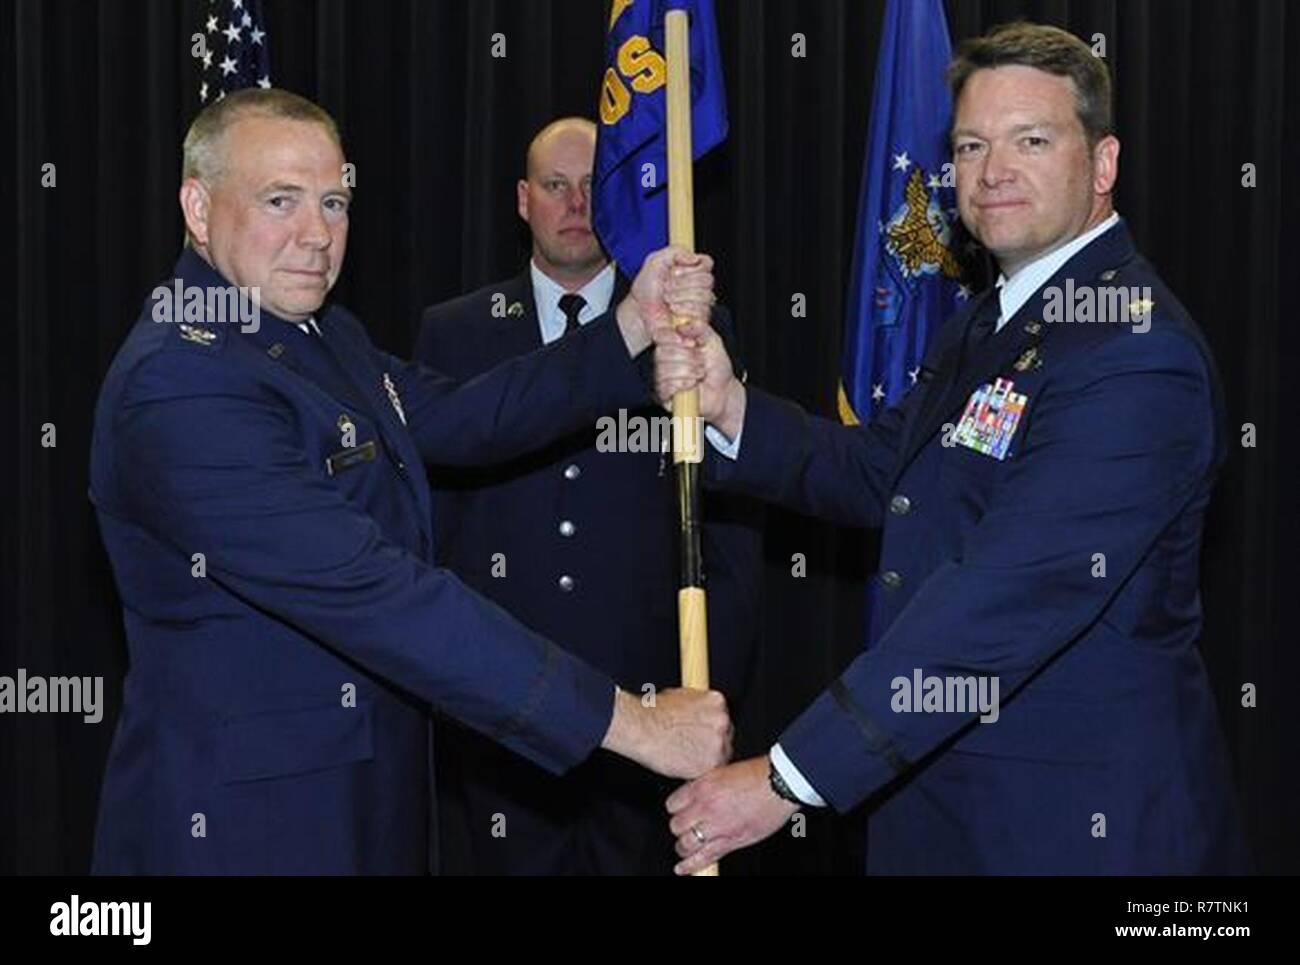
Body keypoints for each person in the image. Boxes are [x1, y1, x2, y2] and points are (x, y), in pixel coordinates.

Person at [656, 22, 1249, 875]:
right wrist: (728, 402)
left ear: (1104, 163)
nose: (993, 171)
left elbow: (1002, 599)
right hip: (946, 813)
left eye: (1031, 140)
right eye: (972, 144)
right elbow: (881, 475)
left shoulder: (1135, 351)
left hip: (1080, 833)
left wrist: (788, 778)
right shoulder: (987, 318)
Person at [88, 88, 730, 874]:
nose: (317, 235)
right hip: (246, 831)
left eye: (333, 202)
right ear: (197, 205)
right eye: (280, 201)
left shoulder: (315, 334)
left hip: (367, 804)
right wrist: (636, 723)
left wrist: (632, 321)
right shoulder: (180, 382)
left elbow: (462, 414)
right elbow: (378, 592)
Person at [416, 117, 761, 875]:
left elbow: (729, 522)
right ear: (520, 199)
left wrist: (711, 685)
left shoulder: (689, 330)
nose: (574, 204)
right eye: (553, 186)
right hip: (497, 716)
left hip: (651, 711)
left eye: (590, 188)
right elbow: (432, 521)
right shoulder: (453, 333)